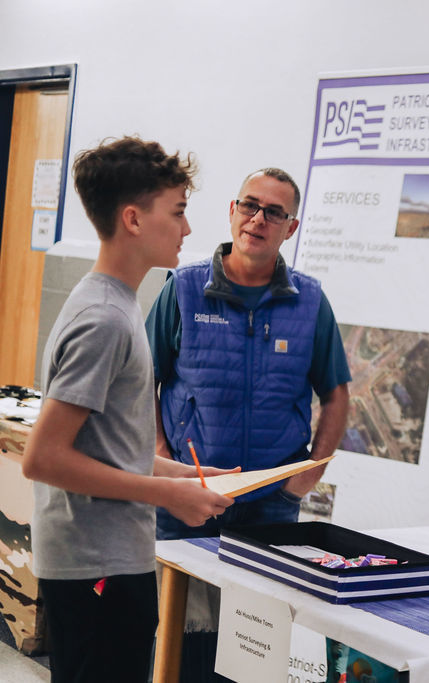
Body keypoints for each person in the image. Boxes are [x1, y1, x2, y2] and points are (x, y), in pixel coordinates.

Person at [21, 137, 235, 683]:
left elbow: (110, 445)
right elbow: (44, 458)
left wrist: (186, 476)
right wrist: (168, 495)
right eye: (179, 212)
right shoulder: (105, 319)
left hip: (111, 562)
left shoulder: (114, 305)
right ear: (134, 219)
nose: (188, 229)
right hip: (98, 569)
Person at [146, 167, 351, 539]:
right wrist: (163, 459)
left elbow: (337, 394)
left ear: (290, 228)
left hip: (272, 501)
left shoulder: (310, 302)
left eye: (274, 212)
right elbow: (142, 381)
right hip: (188, 491)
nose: (258, 219)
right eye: (250, 206)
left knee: (254, 600)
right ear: (232, 211)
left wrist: (309, 473)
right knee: (174, 598)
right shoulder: (183, 290)